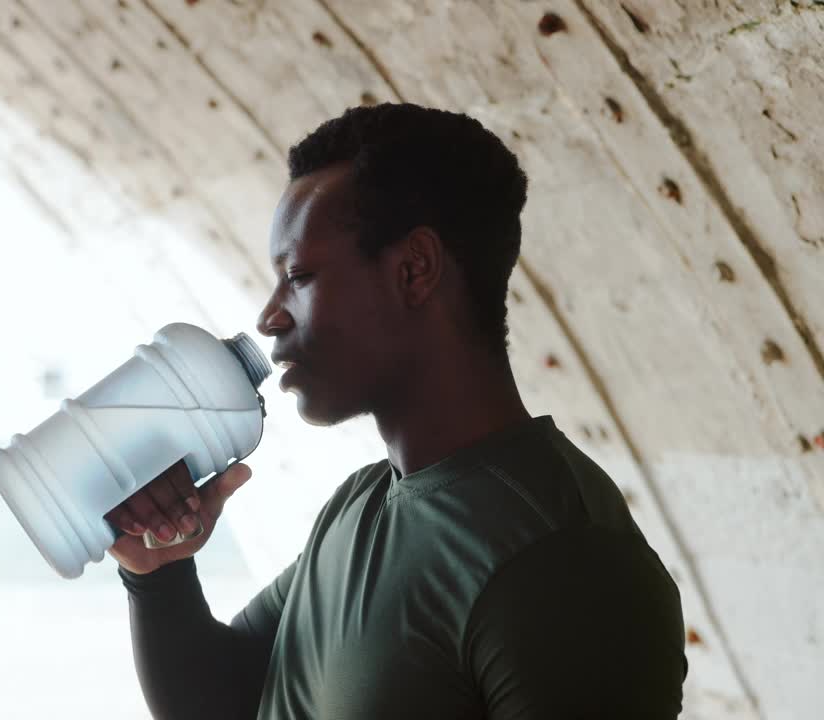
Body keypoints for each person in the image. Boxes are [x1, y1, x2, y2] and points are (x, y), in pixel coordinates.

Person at [102, 103, 688, 719]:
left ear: (414, 270)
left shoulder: (565, 565)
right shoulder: (361, 506)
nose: (270, 317)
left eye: (298, 276)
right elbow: (225, 702)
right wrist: (159, 573)